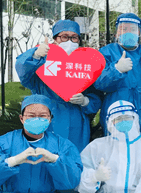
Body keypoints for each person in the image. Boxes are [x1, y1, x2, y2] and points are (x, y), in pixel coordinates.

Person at [15, 20, 101, 151]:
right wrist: (35, 56)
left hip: (76, 123)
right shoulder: (43, 59)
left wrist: (85, 101)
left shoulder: (85, 65)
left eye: (74, 37)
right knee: (46, 156)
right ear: (55, 39)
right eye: (64, 37)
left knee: (73, 157)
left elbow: (96, 93)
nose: (70, 41)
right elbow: (24, 73)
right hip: (47, 119)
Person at [94, 13, 141, 135]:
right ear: (117, 32)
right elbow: (98, 83)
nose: (128, 32)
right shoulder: (106, 53)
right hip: (116, 115)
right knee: (116, 144)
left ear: (139, 32)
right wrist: (116, 70)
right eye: (124, 29)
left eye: (132, 29)